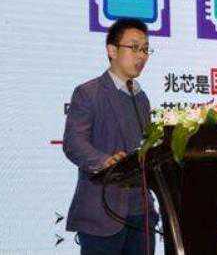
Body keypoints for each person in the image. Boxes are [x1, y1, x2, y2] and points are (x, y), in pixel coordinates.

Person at [63, 18, 158, 254]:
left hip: (141, 215)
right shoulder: (88, 93)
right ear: (112, 51)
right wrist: (105, 161)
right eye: (134, 47)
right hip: (102, 212)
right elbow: (74, 142)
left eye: (145, 49)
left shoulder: (142, 98)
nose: (141, 56)